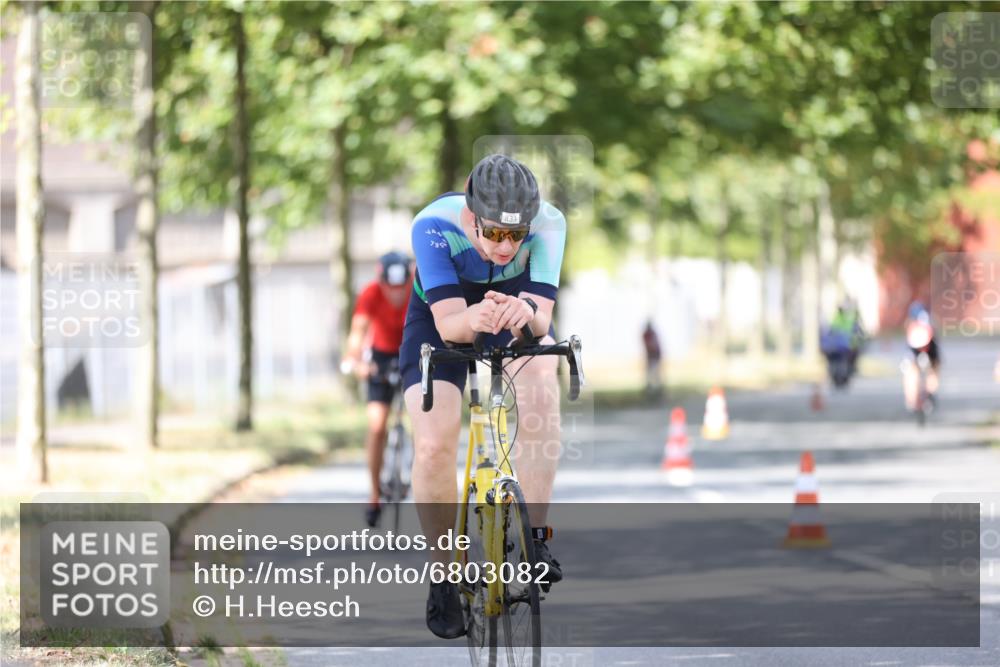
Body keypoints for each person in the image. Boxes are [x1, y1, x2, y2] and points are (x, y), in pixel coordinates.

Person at [398, 154, 566, 639]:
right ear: (471, 215)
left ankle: (536, 539)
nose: (506, 245)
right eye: (493, 233)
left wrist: (522, 310)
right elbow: (451, 324)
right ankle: (446, 572)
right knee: (433, 443)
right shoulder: (433, 224)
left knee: (541, 382)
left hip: (513, 314)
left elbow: (540, 316)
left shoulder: (551, 224)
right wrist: (475, 318)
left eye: (517, 236)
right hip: (441, 318)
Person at [341, 251, 412, 528]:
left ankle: (419, 473)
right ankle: (374, 494)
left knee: (426, 421)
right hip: (380, 358)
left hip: (414, 353)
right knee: (376, 425)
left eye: (401, 288)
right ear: (380, 281)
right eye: (389, 288)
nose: (395, 294)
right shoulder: (370, 293)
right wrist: (355, 360)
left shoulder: (419, 287)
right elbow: (358, 332)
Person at [902, 300, 940, 411]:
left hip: (919, 349)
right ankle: (928, 394)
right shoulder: (929, 322)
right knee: (932, 369)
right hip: (925, 349)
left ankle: (912, 400)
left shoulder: (911, 324)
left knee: (911, 372)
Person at [641, 319, 663, 397]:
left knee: (655, 375)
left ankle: (657, 392)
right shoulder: (647, 335)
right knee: (650, 375)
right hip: (651, 357)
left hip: (655, 356)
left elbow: (654, 346)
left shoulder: (652, 334)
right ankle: (650, 392)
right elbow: (649, 346)